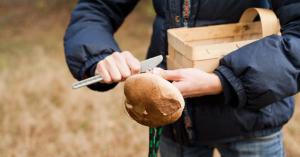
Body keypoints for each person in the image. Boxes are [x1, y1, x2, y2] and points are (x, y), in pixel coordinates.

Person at [64, 0, 300, 156]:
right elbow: (97, 8)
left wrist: (224, 81)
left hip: (253, 120)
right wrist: (97, 55)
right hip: (173, 121)